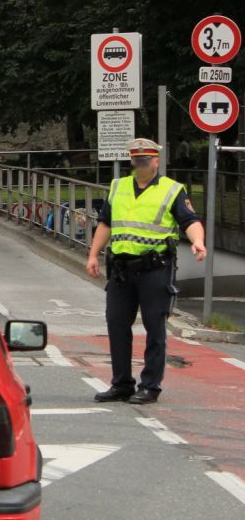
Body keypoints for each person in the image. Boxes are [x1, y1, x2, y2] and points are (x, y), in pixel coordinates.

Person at [85, 138, 206, 405]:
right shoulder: (118, 187)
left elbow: (190, 221)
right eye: (137, 161)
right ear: (132, 162)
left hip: (155, 269)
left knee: (154, 326)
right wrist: (93, 255)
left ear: (156, 162)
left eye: (145, 161)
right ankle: (121, 384)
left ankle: (150, 386)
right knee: (116, 324)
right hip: (121, 270)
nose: (141, 165)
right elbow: (106, 223)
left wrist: (198, 241)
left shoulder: (172, 190)